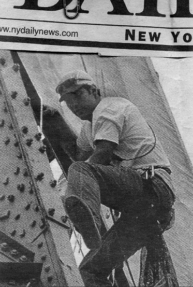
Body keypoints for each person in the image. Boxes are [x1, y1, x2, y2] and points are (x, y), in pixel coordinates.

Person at [53, 70, 177, 287]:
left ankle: (86, 220)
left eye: (77, 96)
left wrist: (75, 197)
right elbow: (77, 152)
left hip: (151, 187)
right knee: (91, 270)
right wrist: (55, 121)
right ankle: (87, 221)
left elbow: (101, 154)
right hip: (145, 212)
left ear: (93, 90)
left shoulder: (110, 108)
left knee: (81, 170)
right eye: (68, 102)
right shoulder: (90, 127)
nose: (73, 105)